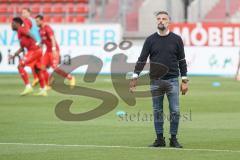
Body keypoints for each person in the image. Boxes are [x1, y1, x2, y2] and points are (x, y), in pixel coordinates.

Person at [129, 11, 189, 148]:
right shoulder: (150, 40)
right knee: (157, 110)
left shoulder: (176, 39)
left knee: (175, 110)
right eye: (159, 19)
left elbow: (182, 60)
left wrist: (184, 81)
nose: (161, 21)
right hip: (155, 81)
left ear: (169, 22)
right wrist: (134, 77)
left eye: (164, 19)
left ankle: (173, 138)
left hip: (173, 80)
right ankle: (159, 139)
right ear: (156, 21)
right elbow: (142, 59)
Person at [9, 17, 47, 96]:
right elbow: (22, 49)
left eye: (12, 24)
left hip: (34, 50)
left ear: (17, 24)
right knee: (37, 70)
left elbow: (30, 33)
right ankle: (43, 90)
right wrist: (13, 55)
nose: (11, 25)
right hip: (37, 51)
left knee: (20, 66)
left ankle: (28, 87)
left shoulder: (21, 29)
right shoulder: (19, 34)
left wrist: (37, 43)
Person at [35, 15, 75, 87]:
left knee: (54, 67)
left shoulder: (47, 28)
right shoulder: (40, 30)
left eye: (37, 21)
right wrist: (39, 44)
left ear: (42, 20)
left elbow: (53, 39)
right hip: (47, 51)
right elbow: (44, 40)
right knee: (42, 67)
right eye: (36, 21)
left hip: (54, 50)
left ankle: (70, 78)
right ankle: (48, 84)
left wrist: (53, 49)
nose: (36, 23)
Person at [21, 8, 41, 87]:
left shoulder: (30, 21)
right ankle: (38, 79)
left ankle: (41, 80)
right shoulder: (29, 21)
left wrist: (38, 42)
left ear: (29, 13)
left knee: (37, 63)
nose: (23, 14)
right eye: (22, 12)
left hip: (36, 44)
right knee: (35, 62)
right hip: (34, 44)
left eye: (24, 12)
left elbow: (30, 32)